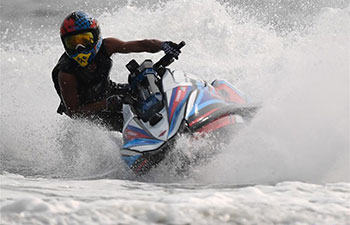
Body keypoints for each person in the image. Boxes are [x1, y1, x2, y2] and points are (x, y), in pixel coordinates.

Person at [52, 11, 180, 132]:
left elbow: (142, 45)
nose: (80, 48)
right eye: (72, 43)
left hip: (109, 91)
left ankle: (176, 117)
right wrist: (106, 104)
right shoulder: (66, 74)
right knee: (131, 120)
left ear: (96, 36)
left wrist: (163, 45)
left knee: (144, 86)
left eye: (85, 40)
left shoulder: (108, 46)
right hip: (90, 110)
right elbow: (74, 112)